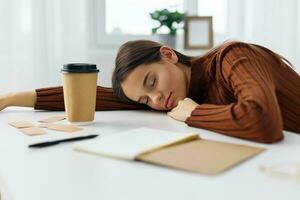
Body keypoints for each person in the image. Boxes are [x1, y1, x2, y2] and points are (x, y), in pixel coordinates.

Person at [0, 40, 299, 143]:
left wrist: (194, 113)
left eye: (152, 83)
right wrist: (13, 98)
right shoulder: (174, 95)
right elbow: (100, 96)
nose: (155, 100)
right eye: (144, 100)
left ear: (168, 54)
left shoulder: (232, 58)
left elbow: (262, 120)